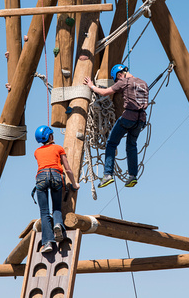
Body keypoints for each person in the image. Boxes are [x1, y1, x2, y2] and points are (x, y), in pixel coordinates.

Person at [83, 64, 149, 188]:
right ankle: (132, 176)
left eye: (117, 79)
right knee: (131, 146)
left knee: (111, 143)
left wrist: (91, 86)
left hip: (128, 117)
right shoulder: (143, 83)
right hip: (140, 119)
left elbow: (104, 92)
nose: (118, 81)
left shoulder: (124, 82)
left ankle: (107, 175)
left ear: (119, 74)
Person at [33, 125, 80, 253]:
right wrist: (75, 185)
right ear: (50, 136)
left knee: (44, 212)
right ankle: (58, 225)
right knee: (57, 208)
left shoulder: (37, 152)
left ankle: (47, 242)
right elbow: (68, 169)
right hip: (56, 176)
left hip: (41, 177)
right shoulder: (58, 148)